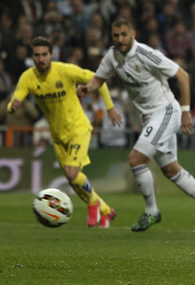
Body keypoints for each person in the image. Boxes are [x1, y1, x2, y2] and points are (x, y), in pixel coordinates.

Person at [79, 18, 195, 232]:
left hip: (166, 112)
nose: (120, 39)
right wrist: (87, 88)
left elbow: (182, 76)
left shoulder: (147, 54)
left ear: (133, 34)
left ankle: (151, 211)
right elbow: (98, 79)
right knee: (171, 170)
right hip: (150, 117)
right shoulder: (112, 56)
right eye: (116, 36)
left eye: (124, 35)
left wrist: (185, 112)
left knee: (136, 159)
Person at [8, 36, 120, 229]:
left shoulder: (66, 71)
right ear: (32, 57)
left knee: (71, 173)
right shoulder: (28, 77)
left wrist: (109, 108)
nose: (41, 59)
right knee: (75, 181)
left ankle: (93, 203)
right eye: (37, 55)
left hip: (78, 128)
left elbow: (98, 80)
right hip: (57, 136)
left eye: (44, 54)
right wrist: (12, 106)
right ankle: (105, 210)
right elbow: (15, 99)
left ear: (52, 54)